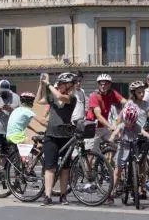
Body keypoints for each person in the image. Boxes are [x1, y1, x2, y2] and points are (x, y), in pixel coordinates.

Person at [36, 72, 77, 206]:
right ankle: (47, 196)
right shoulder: (53, 97)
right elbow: (39, 100)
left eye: (63, 84)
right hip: (51, 135)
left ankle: (63, 195)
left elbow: (60, 96)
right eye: (60, 84)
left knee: (65, 168)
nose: (60, 86)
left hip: (66, 136)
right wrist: (41, 85)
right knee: (50, 168)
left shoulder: (71, 97)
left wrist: (48, 84)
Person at [108, 103, 149, 205]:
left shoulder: (136, 126)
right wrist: (112, 138)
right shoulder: (122, 125)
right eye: (128, 122)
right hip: (123, 148)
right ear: (124, 119)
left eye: (132, 122)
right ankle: (110, 193)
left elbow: (142, 131)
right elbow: (116, 132)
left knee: (137, 168)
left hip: (133, 148)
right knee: (117, 171)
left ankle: (135, 187)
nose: (130, 125)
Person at [85, 74, 127, 154]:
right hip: (93, 128)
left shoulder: (112, 93)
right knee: (91, 153)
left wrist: (132, 105)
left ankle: (112, 164)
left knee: (115, 145)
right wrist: (111, 126)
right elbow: (98, 116)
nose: (103, 86)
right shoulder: (94, 96)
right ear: (98, 85)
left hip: (104, 127)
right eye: (101, 84)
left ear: (110, 84)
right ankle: (88, 166)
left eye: (105, 84)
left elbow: (125, 102)